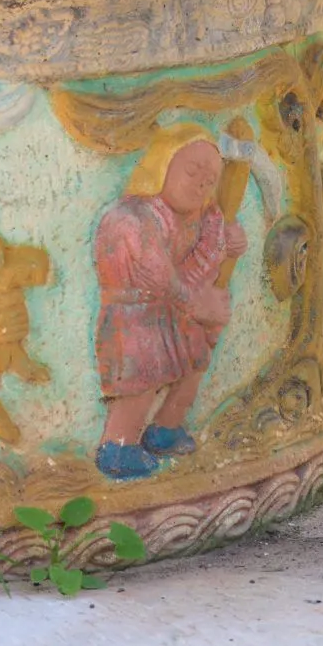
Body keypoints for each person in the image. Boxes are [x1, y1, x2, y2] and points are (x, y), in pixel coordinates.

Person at [92, 126, 245, 480]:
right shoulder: (132, 218)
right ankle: (119, 446)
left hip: (172, 311)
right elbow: (157, 273)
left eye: (210, 181)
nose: (201, 185)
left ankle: (166, 426)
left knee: (195, 360)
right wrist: (198, 305)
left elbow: (192, 265)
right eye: (192, 172)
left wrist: (226, 242)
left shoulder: (191, 221)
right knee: (141, 381)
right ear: (162, 165)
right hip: (134, 315)